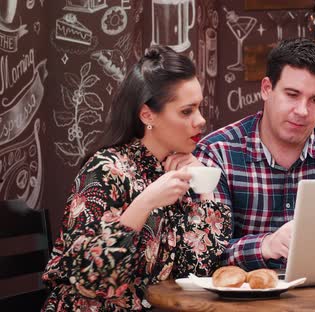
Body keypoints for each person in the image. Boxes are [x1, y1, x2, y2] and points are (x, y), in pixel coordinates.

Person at [42, 46, 231, 311]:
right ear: (147, 115)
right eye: (186, 111)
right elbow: (85, 278)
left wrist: (205, 187)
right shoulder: (106, 169)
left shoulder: (172, 169)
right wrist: (145, 203)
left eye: (199, 108)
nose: (200, 121)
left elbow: (197, 270)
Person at [194, 38, 315, 271]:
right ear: (267, 89)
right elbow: (203, 254)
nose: (302, 111)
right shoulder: (216, 153)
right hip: (243, 302)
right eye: (292, 95)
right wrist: (265, 246)